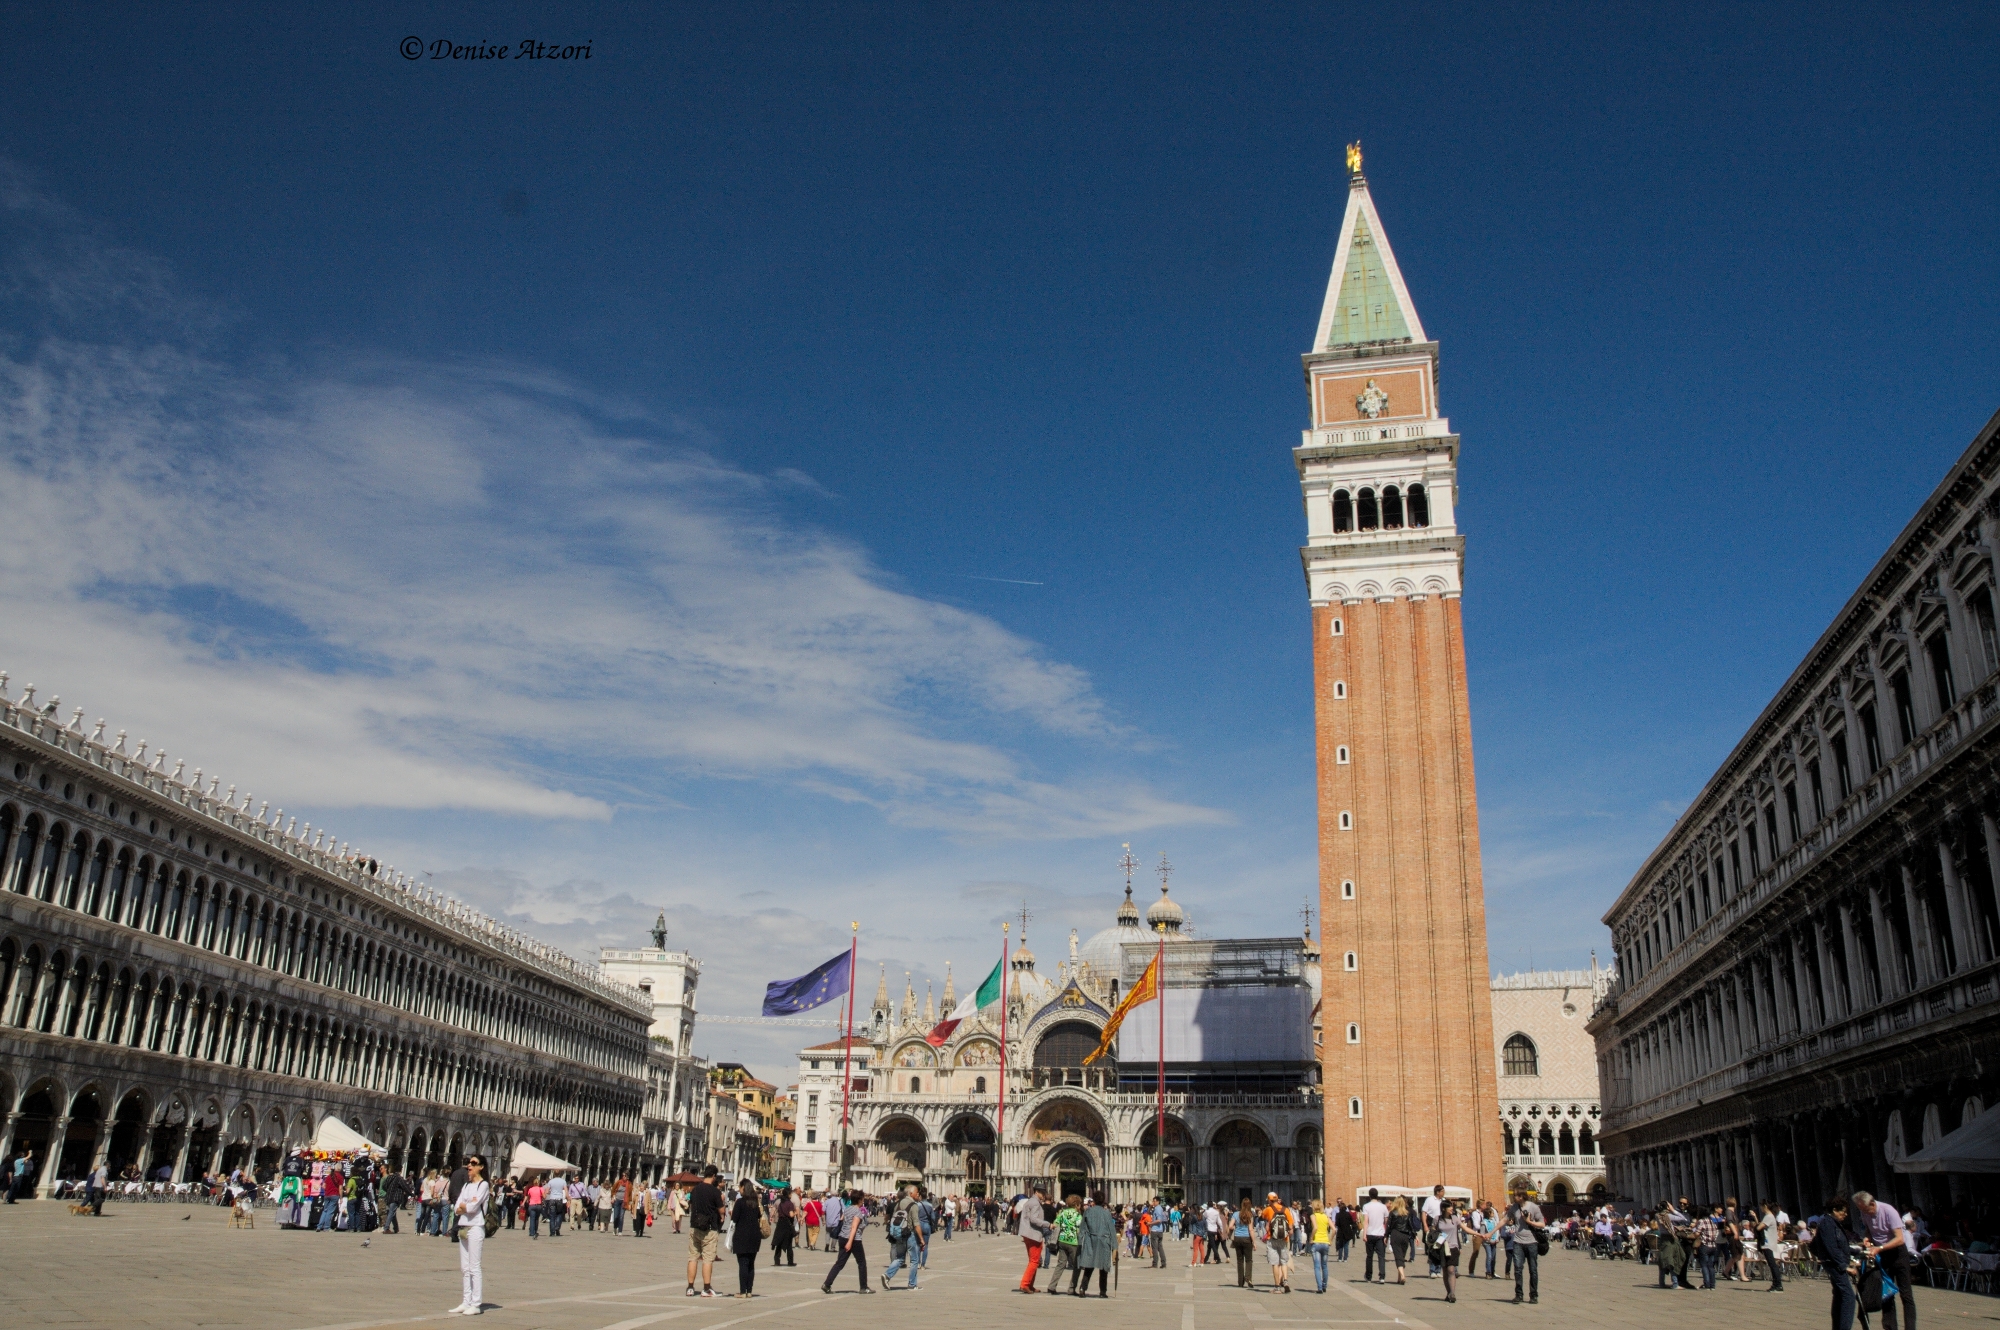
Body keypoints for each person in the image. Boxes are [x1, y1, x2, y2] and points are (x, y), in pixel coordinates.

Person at [1855, 1191, 1915, 1330]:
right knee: (1887, 1293)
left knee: (1906, 1294)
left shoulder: (1889, 1211)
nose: (1865, 1213)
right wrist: (1867, 1239)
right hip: (1883, 1254)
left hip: (1898, 1253)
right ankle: (1890, 1327)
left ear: (1872, 1203)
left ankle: (1910, 1327)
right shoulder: (1865, 1213)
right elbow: (1869, 1230)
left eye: (1866, 1209)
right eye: (1861, 1210)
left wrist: (1880, 1248)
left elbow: (1899, 1238)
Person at [1810, 1196, 1861, 1330]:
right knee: (1848, 1296)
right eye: (1843, 1212)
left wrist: (1858, 1251)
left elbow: (1840, 1246)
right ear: (1834, 1210)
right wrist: (1845, 1267)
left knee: (1839, 1295)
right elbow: (1832, 1247)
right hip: (1834, 1264)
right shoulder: (1828, 1223)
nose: (1845, 1215)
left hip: (1834, 1262)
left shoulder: (1832, 1224)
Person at [449, 1154, 489, 1316]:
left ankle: (476, 1303)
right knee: (464, 1267)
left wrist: (465, 1205)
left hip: (476, 1227)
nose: (469, 1166)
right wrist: (465, 1205)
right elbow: (456, 1206)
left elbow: (473, 1208)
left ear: (481, 1167)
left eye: (474, 1163)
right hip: (464, 1226)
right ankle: (466, 1301)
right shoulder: (466, 1186)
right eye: (468, 1163)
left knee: (474, 1266)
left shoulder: (483, 1185)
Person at [821, 1188, 875, 1294]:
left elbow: (843, 1221)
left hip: (842, 1237)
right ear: (859, 1200)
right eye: (862, 1199)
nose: (863, 1201)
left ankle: (827, 1284)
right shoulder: (857, 1212)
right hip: (853, 1239)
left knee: (839, 1263)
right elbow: (854, 1227)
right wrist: (850, 1242)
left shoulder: (848, 1209)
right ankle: (863, 1287)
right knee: (862, 1263)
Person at [685, 1165, 725, 1297]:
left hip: (694, 1226)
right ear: (713, 1176)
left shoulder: (696, 1189)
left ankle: (690, 1287)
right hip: (709, 1228)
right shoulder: (715, 1192)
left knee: (693, 1257)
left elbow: (691, 1204)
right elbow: (721, 1210)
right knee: (708, 1259)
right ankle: (706, 1288)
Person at [1507, 1192, 1544, 1305]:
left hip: (1532, 1242)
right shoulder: (1514, 1207)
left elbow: (1542, 1224)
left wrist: (1528, 1221)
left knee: (1533, 1269)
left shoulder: (1533, 1207)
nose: (1514, 1198)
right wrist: (1492, 1232)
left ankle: (1533, 1295)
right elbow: (1505, 1220)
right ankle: (1519, 1295)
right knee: (1518, 1269)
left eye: (1516, 1196)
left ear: (1521, 1196)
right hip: (1518, 1241)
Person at [729, 1181, 764, 1298]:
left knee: (743, 1264)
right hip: (754, 1235)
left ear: (743, 1188)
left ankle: (743, 1291)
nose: (739, 1189)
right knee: (751, 1264)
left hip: (742, 1235)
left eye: (740, 1187)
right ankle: (749, 1290)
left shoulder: (740, 1202)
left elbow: (734, 1218)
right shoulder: (755, 1202)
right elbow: (759, 1216)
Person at [1077, 1193, 1116, 1298]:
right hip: (1104, 1241)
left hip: (1091, 1241)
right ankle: (1103, 1292)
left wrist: (1080, 1243)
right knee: (1103, 1268)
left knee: (1089, 1266)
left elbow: (1082, 1229)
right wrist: (1115, 1247)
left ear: (1093, 1200)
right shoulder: (1106, 1213)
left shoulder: (1088, 1211)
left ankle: (1082, 1288)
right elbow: (1112, 1230)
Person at [1015, 1185, 1053, 1292]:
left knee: (1033, 1261)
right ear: (1036, 1192)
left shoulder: (1030, 1201)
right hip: (1033, 1234)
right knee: (1034, 1261)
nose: (1044, 1195)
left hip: (1027, 1233)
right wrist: (1048, 1224)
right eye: (1042, 1193)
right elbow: (1034, 1219)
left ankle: (1030, 1284)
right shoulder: (1035, 1203)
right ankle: (1025, 1284)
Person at [1043, 1193, 1081, 1294]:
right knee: (1077, 1266)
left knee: (1060, 1264)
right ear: (1076, 1204)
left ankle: (1052, 1286)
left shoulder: (1062, 1213)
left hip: (1062, 1241)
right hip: (1073, 1242)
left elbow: (1055, 1224)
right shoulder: (1077, 1215)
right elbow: (1079, 1229)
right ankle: (1072, 1288)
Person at [1435, 1200, 1465, 1303]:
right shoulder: (1437, 1219)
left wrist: (1478, 1234)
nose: (1452, 1209)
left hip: (1453, 1248)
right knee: (1445, 1271)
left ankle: (1452, 1293)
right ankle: (1448, 1293)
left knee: (1451, 1270)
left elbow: (1464, 1228)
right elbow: (1432, 1231)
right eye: (1450, 1207)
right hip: (1442, 1248)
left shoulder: (1455, 1219)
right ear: (1444, 1209)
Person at [1266, 1194, 1295, 1292]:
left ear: (1269, 1201)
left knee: (1275, 1263)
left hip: (1272, 1238)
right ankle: (1285, 1281)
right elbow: (1291, 1226)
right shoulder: (1286, 1209)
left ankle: (1277, 1286)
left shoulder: (1268, 1209)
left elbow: (1262, 1216)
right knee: (1283, 1261)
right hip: (1284, 1238)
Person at [1361, 1188, 1390, 1283]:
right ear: (1377, 1195)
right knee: (1381, 1256)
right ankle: (1382, 1276)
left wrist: (1364, 1234)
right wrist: (1386, 1234)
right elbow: (1386, 1221)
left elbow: (1366, 1221)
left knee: (1369, 1256)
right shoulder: (1383, 1207)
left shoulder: (1366, 1206)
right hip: (1380, 1234)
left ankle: (1369, 1276)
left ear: (1369, 1195)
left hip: (1370, 1233)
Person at [1758, 1200, 1786, 1292]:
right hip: (1768, 1243)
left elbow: (1759, 1227)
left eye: (1761, 1206)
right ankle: (1776, 1283)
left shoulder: (1769, 1216)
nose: (1761, 1208)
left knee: (1772, 1264)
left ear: (1765, 1206)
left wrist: (1757, 1224)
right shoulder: (1770, 1216)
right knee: (1771, 1263)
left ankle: (1778, 1284)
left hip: (1768, 1243)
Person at [1386, 1197, 1415, 1285]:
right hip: (1405, 1235)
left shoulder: (1392, 1213)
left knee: (1398, 1256)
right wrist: (1415, 1236)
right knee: (1402, 1256)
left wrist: (1386, 1236)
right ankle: (1399, 1278)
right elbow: (1411, 1226)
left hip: (1395, 1234)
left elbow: (1389, 1226)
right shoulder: (1407, 1213)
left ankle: (1402, 1276)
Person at [1232, 1198, 1258, 1287]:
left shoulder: (1235, 1214)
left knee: (1239, 1261)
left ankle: (1240, 1282)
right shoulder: (1250, 1215)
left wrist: (1235, 1229)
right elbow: (1251, 1229)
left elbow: (1231, 1226)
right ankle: (1248, 1278)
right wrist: (1254, 1242)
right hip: (1246, 1239)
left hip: (1237, 1238)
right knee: (1249, 1260)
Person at [1308, 1200, 1332, 1293]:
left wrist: (1311, 1238)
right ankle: (1324, 1285)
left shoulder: (1313, 1216)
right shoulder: (1326, 1216)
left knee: (1317, 1266)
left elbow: (1315, 1227)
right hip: (1325, 1242)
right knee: (1325, 1266)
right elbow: (1334, 1229)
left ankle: (1319, 1288)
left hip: (1316, 1243)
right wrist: (1330, 1240)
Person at [1422, 1185, 1446, 1278]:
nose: (1444, 1193)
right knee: (1432, 1248)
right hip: (1432, 1226)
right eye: (1442, 1191)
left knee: (1441, 1248)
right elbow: (1424, 1212)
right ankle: (1432, 1270)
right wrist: (1425, 1225)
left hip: (1442, 1226)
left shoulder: (1443, 1201)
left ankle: (1438, 1270)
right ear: (1437, 1192)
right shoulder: (1429, 1200)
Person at [772, 1187, 797, 1265]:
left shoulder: (781, 1202)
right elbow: (791, 1215)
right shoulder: (790, 1203)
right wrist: (796, 1213)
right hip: (787, 1224)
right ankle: (790, 1261)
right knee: (788, 1243)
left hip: (780, 1223)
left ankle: (777, 1261)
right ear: (788, 1194)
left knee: (779, 1242)